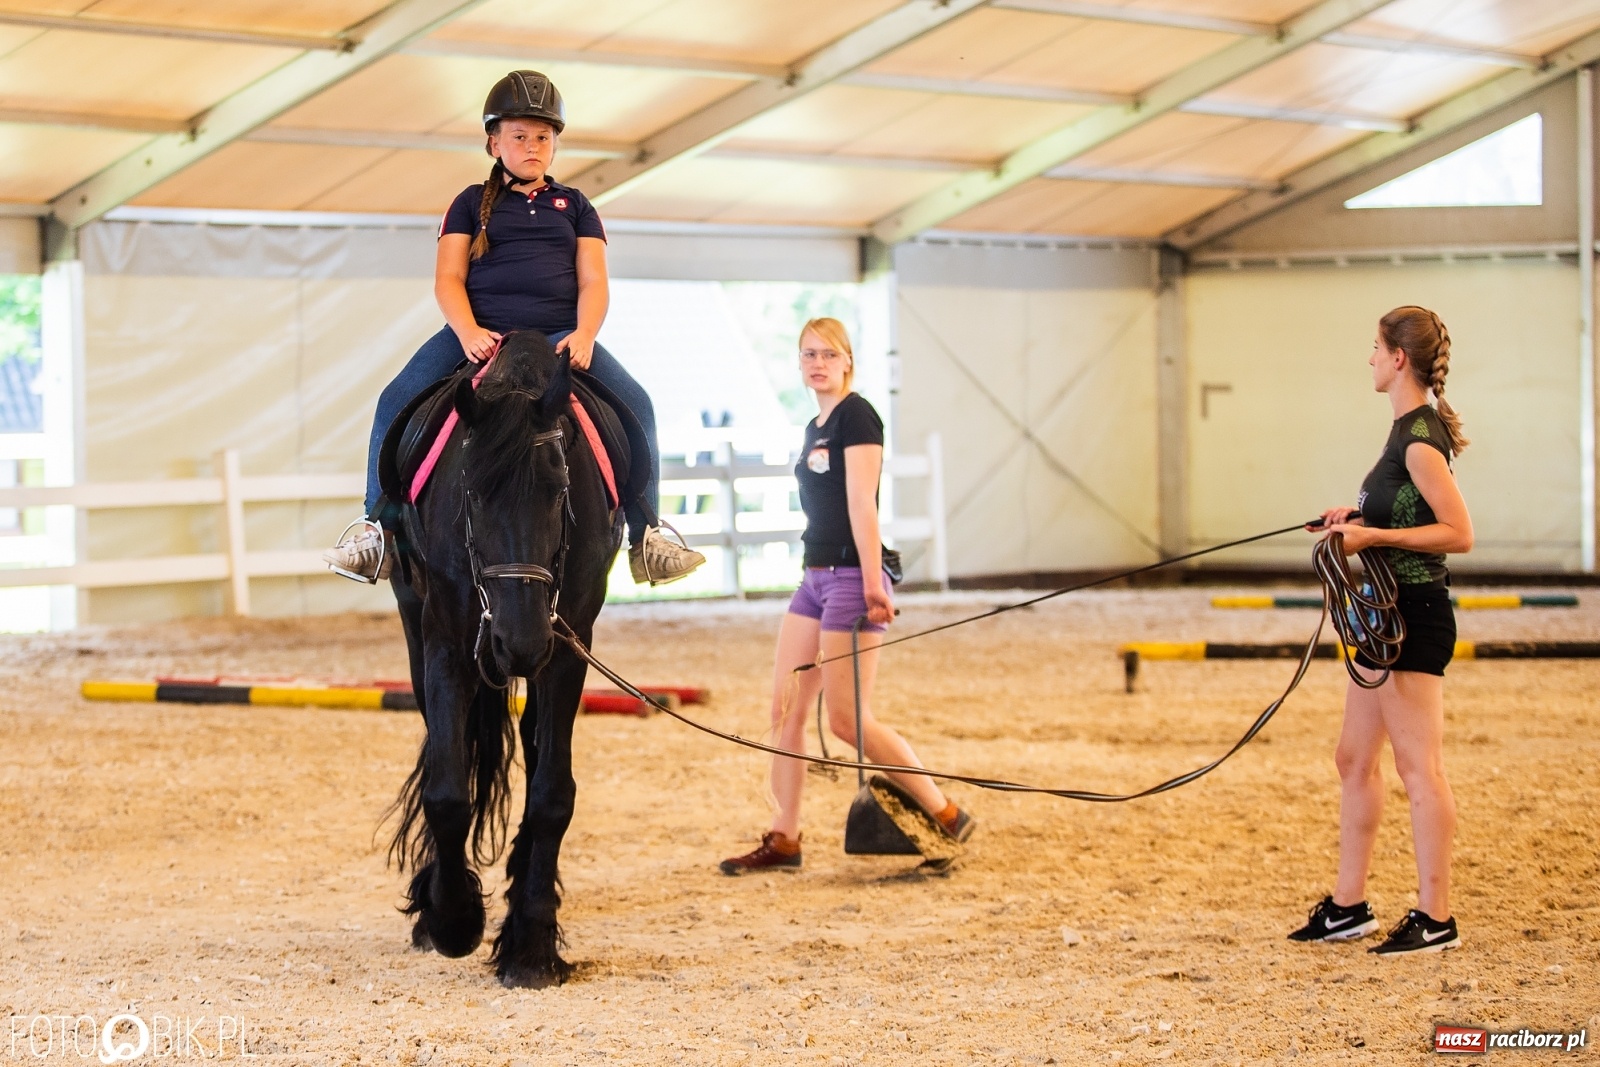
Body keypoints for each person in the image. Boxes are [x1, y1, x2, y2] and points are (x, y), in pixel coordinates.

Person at [324, 70, 704, 587]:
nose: (532, 145)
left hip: (558, 339)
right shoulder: (466, 204)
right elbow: (448, 279)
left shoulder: (576, 207)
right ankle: (375, 529)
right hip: (480, 335)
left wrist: (586, 334)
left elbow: (594, 282)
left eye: (543, 137)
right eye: (520, 136)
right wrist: (467, 333)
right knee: (395, 400)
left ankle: (648, 535)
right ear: (493, 141)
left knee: (638, 404)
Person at [719, 318, 972, 875]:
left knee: (847, 722)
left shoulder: (859, 416)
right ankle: (784, 839)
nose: (817, 363)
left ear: (848, 361)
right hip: (813, 577)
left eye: (828, 354)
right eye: (808, 354)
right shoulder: (817, 424)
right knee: (784, 706)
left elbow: (862, 502)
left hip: (851, 580)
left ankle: (945, 813)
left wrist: (873, 582)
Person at [1290, 306, 1473, 955]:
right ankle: (1348, 904)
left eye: (1375, 348)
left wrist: (1372, 534)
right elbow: (1403, 506)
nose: (1368, 357)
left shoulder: (1420, 437)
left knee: (1419, 767)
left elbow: (1458, 532)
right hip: (1382, 612)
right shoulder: (1404, 430)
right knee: (1353, 757)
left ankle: (1436, 916)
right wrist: (1353, 514)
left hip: (1414, 613)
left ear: (1399, 358)